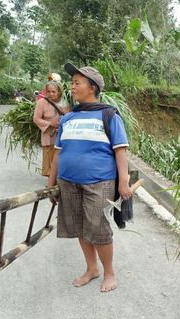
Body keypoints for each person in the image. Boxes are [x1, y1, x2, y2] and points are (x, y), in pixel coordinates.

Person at [47, 63, 131, 292]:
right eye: (71, 82)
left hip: (99, 182)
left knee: (98, 227)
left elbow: (121, 150)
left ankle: (109, 272)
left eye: (77, 83)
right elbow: (58, 152)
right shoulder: (68, 117)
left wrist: (123, 181)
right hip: (68, 182)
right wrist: (50, 182)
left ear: (92, 87)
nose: (72, 87)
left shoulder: (109, 115)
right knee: (79, 227)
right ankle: (91, 268)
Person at [33, 81, 70, 176]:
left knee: (62, 159)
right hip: (49, 137)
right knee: (49, 160)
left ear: (59, 92)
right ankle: (51, 182)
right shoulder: (42, 103)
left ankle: (60, 179)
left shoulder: (66, 101)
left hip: (63, 136)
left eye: (54, 91)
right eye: (48, 91)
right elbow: (36, 119)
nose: (51, 94)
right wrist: (50, 123)